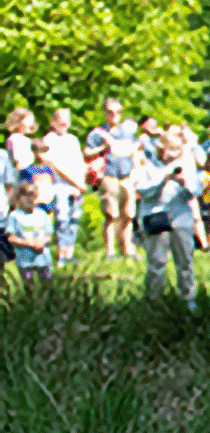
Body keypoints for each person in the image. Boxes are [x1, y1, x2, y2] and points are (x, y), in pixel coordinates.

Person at [131, 126, 203, 303]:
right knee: (157, 263)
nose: (171, 157)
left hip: (180, 216)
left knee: (185, 261)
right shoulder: (148, 166)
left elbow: (196, 191)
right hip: (154, 216)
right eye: (169, 152)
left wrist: (184, 182)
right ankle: (154, 299)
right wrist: (162, 181)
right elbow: (142, 191)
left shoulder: (186, 164)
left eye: (175, 153)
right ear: (161, 149)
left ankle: (188, 298)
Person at [87, 98, 140, 260]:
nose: (114, 115)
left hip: (127, 176)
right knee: (111, 214)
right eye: (110, 112)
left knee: (128, 214)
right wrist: (104, 147)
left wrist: (136, 170)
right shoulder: (97, 133)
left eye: (117, 112)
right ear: (105, 113)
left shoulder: (128, 131)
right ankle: (110, 251)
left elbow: (134, 151)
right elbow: (87, 153)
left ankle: (127, 249)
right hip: (108, 174)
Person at [35, 109, 87, 267]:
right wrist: (75, 182)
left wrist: (80, 184)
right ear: (53, 122)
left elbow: (80, 163)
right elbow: (54, 166)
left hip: (76, 186)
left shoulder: (73, 139)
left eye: (67, 121)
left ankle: (69, 254)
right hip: (60, 185)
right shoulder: (49, 140)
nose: (64, 125)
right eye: (61, 121)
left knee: (74, 219)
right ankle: (61, 256)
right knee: (62, 220)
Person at [9, 177, 53, 291]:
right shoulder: (15, 216)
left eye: (33, 196)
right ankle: (31, 305)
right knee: (29, 285)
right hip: (25, 259)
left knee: (47, 284)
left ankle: (48, 305)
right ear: (19, 198)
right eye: (27, 195)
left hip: (42, 256)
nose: (31, 199)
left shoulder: (42, 214)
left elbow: (48, 235)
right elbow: (11, 238)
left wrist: (41, 242)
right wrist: (28, 243)